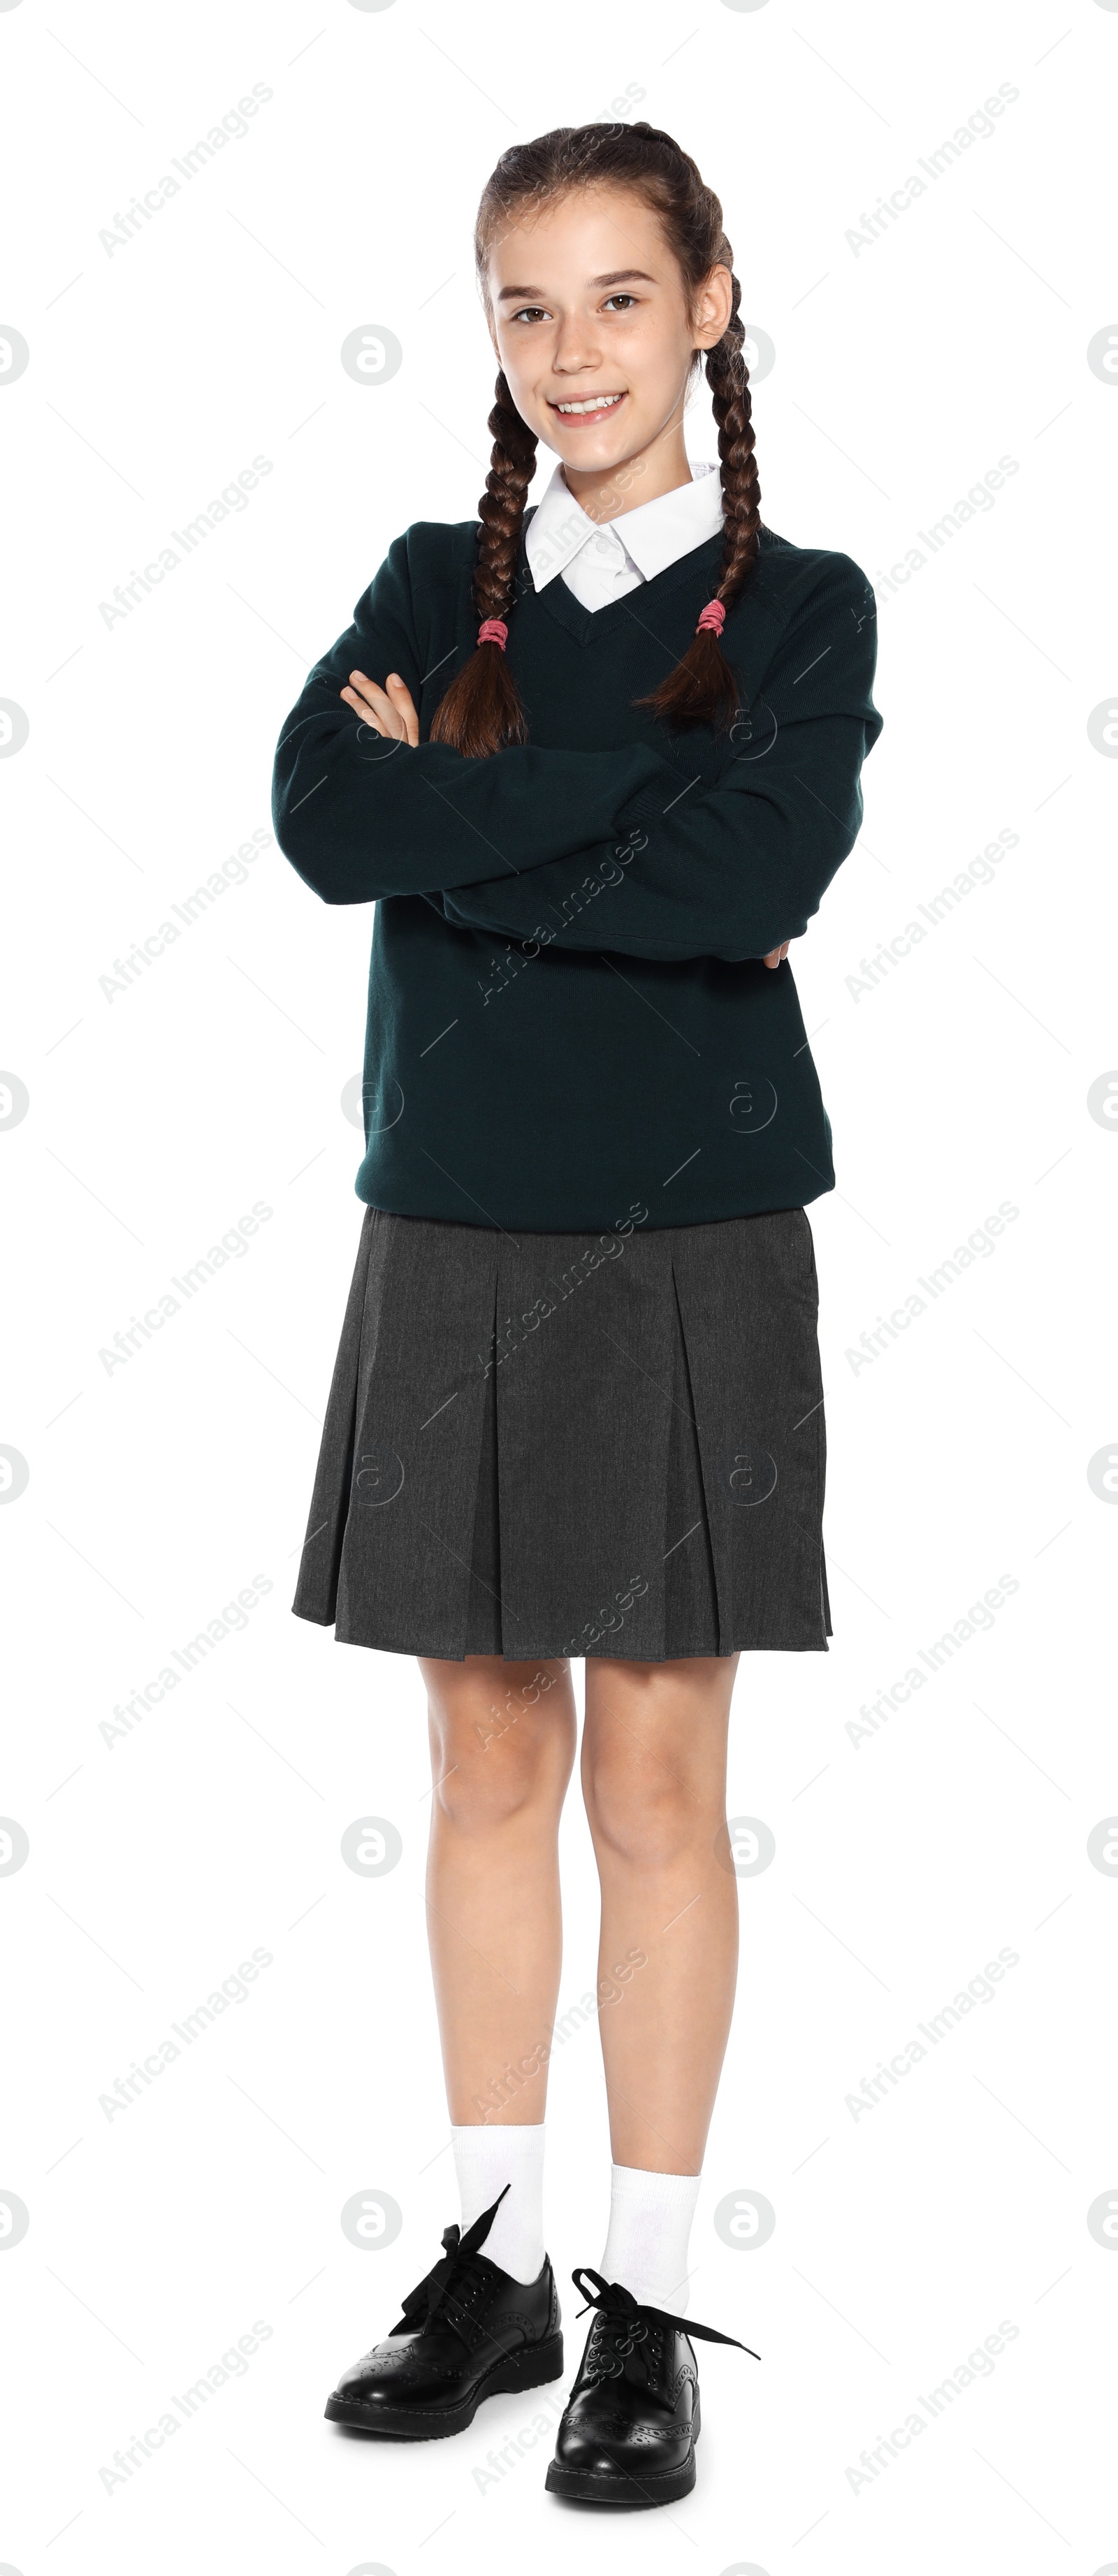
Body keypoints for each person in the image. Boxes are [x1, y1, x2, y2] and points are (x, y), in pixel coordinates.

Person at [272, 119, 882, 2508]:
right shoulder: (438, 578)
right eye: (526, 306)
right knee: (482, 1767)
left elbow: (771, 874)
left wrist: (507, 802)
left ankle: (640, 2303)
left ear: (710, 305)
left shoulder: (806, 604)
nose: (570, 352)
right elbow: (333, 830)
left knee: (656, 1781)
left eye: (619, 298)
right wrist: (650, 806)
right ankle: (495, 2256)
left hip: (695, 1236)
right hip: (451, 1220)